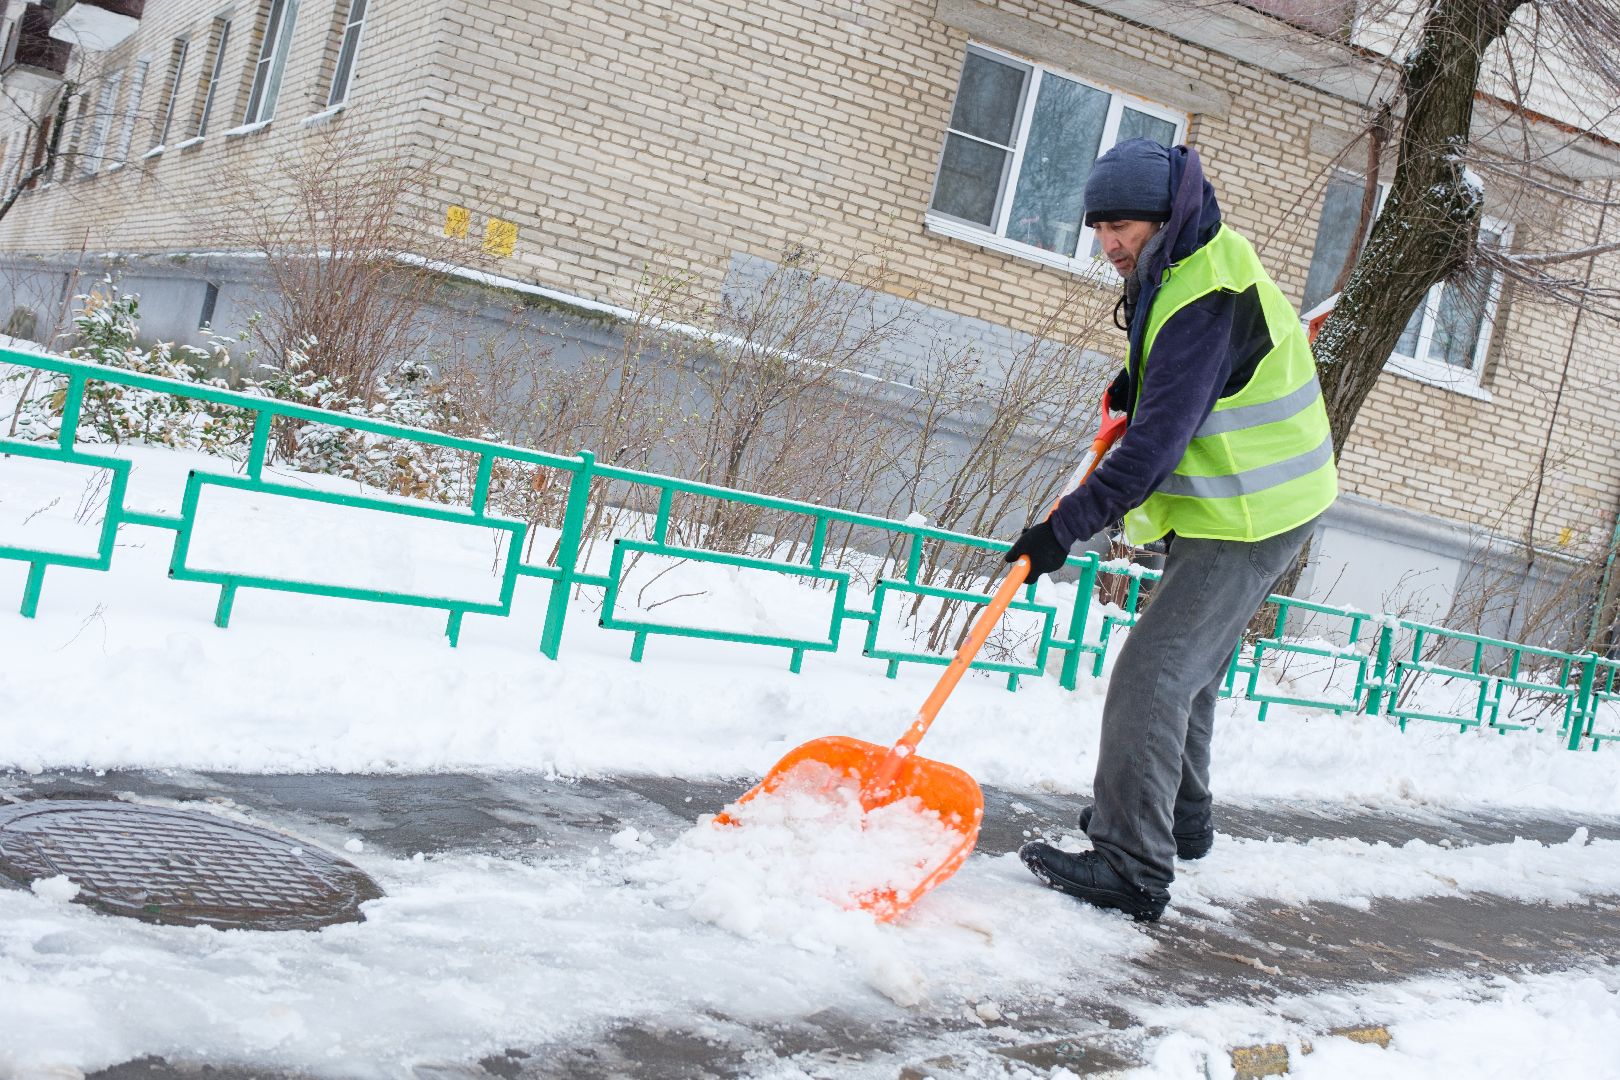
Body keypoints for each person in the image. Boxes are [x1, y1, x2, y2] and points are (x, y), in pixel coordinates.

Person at [1003, 139, 1338, 923]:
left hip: (1254, 511)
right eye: (1099, 228)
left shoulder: (1203, 292)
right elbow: (1194, 374)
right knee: (1188, 668)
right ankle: (1178, 822)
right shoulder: (1190, 258)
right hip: (1242, 499)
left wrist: (1061, 529)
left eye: (1121, 225)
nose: (1108, 243)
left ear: (1164, 217)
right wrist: (1144, 380)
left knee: (1152, 672)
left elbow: (1153, 450)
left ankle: (1131, 863)